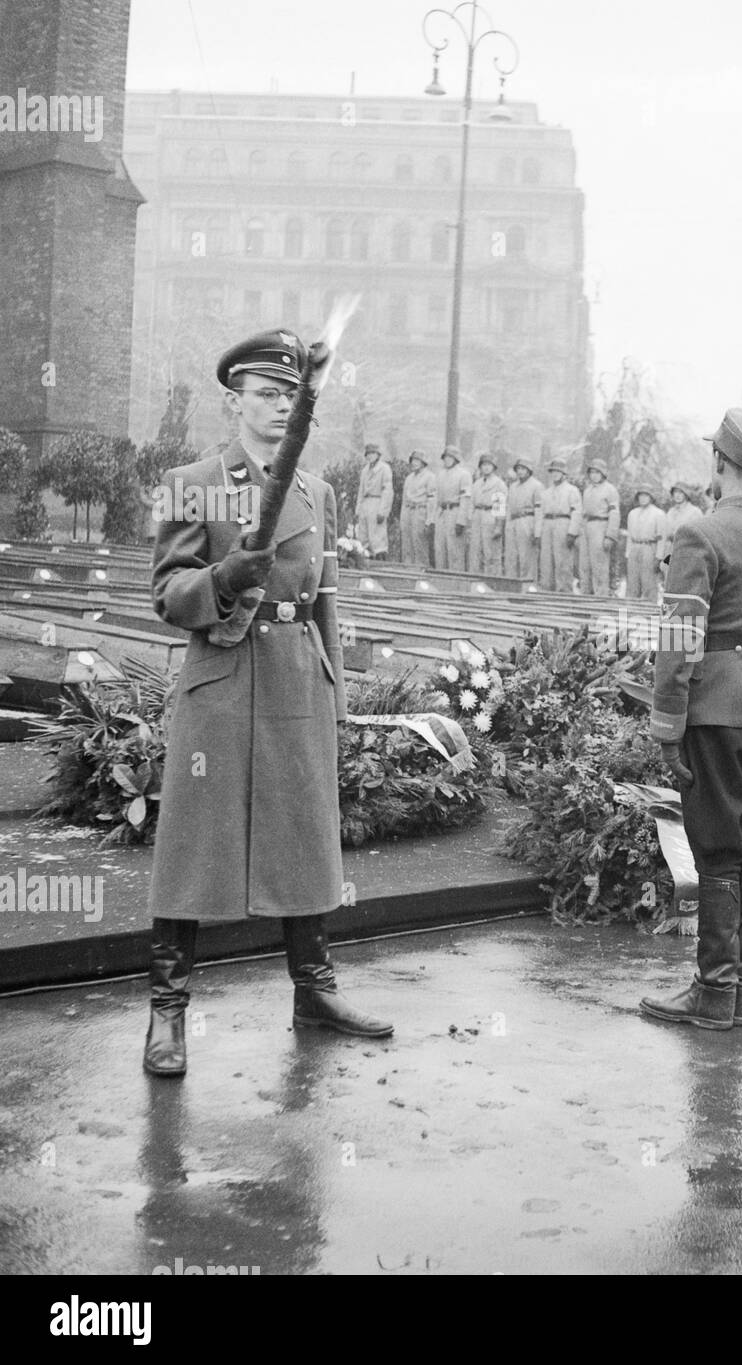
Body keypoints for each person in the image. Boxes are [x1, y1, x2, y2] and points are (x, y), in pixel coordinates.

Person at [144, 328, 392, 1078]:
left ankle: (314, 992)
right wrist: (223, 577)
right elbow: (165, 592)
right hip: (222, 675)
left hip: (293, 677)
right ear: (234, 402)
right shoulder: (193, 480)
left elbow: (327, 605)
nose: (279, 406)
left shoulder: (317, 491)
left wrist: (336, 696)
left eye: (289, 395)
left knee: (302, 834)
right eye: (264, 394)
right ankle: (168, 1008)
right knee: (194, 842)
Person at [641, 408, 742, 1031]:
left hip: (715, 710)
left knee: (715, 849)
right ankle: (739, 992)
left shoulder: (700, 535)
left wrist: (666, 724)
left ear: (717, 464)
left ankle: (712, 993)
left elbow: (680, 637)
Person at [537, 456, 581, 592]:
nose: (555, 474)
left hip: (563, 523)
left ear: (564, 474)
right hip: (548, 524)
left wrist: (572, 532)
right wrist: (538, 533)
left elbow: (576, 512)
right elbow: (540, 514)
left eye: (558, 471)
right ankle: (546, 590)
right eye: (553, 472)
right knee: (546, 561)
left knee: (563, 561)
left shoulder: (572, 490)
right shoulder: (546, 492)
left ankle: (564, 591)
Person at [578, 457, 621, 595]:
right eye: (592, 472)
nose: (594, 475)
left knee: (599, 567)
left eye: (597, 472)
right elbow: (583, 513)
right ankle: (585, 598)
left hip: (601, 526)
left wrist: (610, 536)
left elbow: (614, 514)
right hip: (586, 527)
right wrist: (580, 532)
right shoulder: (587, 490)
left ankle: (601, 599)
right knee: (584, 565)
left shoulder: (610, 490)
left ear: (603, 474)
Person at [431, 445, 471, 571]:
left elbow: (465, 498)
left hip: (455, 511)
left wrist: (461, 521)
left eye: (450, 457)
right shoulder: (440, 474)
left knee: (455, 550)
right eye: (445, 457)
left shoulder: (464, 474)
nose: (447, 460)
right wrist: (432, 518)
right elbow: (435, 497)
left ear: (456, 459)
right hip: (442, 512)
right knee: (440, 548)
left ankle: (456, 579)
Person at [468, 452, 508, 576]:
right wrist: (469, 523)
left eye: (489, 465)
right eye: (483, 465)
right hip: (477, 516)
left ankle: (492, 579)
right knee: (475, 552)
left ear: (494, 467)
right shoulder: (477, 483)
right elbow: (471, 503)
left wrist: (498, 526)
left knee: (491, 553)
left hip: (490, 516)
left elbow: (500, 507)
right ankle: (474, 578)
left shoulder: (499, 484)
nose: (486, 467)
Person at [625, 485, 668, 599]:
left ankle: (648, 612)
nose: (643, 498)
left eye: (646, 495)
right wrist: (628, 554)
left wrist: (658, 557)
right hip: (634, 547)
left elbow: (661, 538)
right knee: (632, 582)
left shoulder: (658, 514)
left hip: (649, 547)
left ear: (651, 497)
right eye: (640, 496)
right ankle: (630, 611)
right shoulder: (632, 513)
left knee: (648, 582)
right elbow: (629, 535)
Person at [504, 456, 543, 581]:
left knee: (526, 557)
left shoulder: (537, 486)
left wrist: (537, 533)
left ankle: (528, 585)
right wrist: (507, 526)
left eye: (523, 469)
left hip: (527, 520)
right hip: (513, 521)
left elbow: (539, 510)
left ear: (529, 470)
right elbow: (509, 507)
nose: (520, 471)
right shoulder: (513, 486)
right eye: (518, 469)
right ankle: (511, 584)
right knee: (511, 556)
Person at [398, 450, 435, 567]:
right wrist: (402, 519)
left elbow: (432, 499)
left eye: (417, 460)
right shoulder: (409, 478)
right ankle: (408, 569)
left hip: (420, 511)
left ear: (423, 462)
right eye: (413, 460)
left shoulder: (430, 477)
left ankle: (421, 569)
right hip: (408, 511)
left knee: (419, 543)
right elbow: (404, 500)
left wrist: (430, 520)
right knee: (407, 544)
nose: (414, 463)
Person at [356, 443, 392, 560]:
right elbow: (361, 491)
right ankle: (366, 559)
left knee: (377, 536)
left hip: (377, 501)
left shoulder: (384, 468)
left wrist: (383, 511)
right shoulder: (365, 470)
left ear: (378, 455)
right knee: (363, 535)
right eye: (368, 454)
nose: (370, 456)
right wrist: (358, 509)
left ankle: (380, 559)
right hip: (366, 502)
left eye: (373, 453)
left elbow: (387, 491)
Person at [665, 482, 704, 549]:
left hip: (688, 549)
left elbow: (700, 535)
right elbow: (666, 533)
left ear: (686, 495)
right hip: (672, 549)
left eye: (681, 492)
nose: (678, 495)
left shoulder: (695, 512)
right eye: (675, 492)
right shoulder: (670, 512)